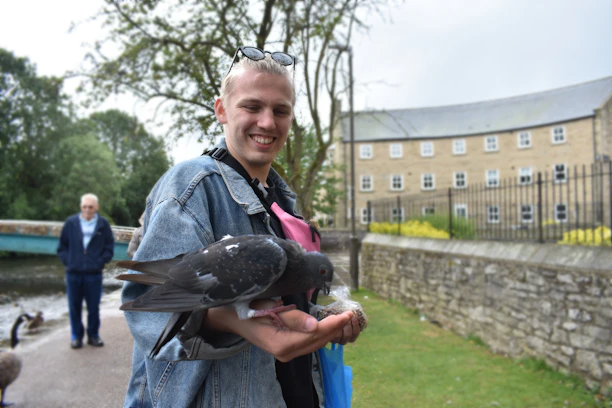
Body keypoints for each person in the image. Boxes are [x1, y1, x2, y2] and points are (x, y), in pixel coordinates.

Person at [122, 46, 361, 408]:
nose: (267, 122)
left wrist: (325, 319)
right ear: (221, 109)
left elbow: (274, 302)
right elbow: (152, 315)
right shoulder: (193, 186)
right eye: (252, 106)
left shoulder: (281, 202)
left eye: (280, 110)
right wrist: (240, 323)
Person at [57, 193, 114, 349]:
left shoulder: (103, 225)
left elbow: (109, 247)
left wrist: (100, 262)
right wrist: (69, 262)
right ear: (81, 207)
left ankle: (93, 336)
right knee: (74, 307)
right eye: (84, 207)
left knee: (93, 307)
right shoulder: (71, 223)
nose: (87, 210)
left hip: (94, 274)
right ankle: (76, 336)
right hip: (73, 273)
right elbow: (62, 247)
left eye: (90, 207)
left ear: (96, 207)